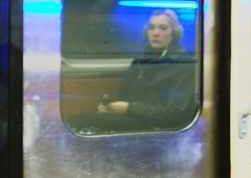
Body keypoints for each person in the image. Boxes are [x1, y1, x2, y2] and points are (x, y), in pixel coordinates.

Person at [66, 9, 197, 135]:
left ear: (173, 33)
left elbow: (173, 113)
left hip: (157, 127)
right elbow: (124, 96)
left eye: (163, 28)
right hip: (135, 118)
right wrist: (109, 105)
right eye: (152, 28)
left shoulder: (182, 65)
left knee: (86, 122)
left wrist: (129, 108)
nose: (156, 33)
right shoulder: (140, 61)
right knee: (85, 121)